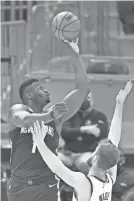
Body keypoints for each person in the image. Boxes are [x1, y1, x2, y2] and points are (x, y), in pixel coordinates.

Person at [7, 38, 89, 201]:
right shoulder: (19, 110)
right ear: (29, 95)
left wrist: (76, 57)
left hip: (47, 187)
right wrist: (49, 115)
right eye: (40, 88)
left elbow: (82, 89)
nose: (46, 91)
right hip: (19, 188)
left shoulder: (56, 118)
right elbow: (21, 119)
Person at [32, 81, 133, 201]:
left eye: (96, 149)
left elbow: (57, 167)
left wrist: (40, 143)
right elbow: (114, 139)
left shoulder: (84, 183)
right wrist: (119, 104)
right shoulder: (110, 179)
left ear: (95, 158)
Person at [59, 89, 109, 173]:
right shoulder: (70, 115)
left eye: (88, 98)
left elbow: (102, 135)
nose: (85, 100)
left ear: (92, 101)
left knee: (83, 163)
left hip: (87, 154)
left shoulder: (100, 116)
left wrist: (75, 132)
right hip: (68, 154)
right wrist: (85, 129)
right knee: (52, 159)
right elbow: (64, 132)